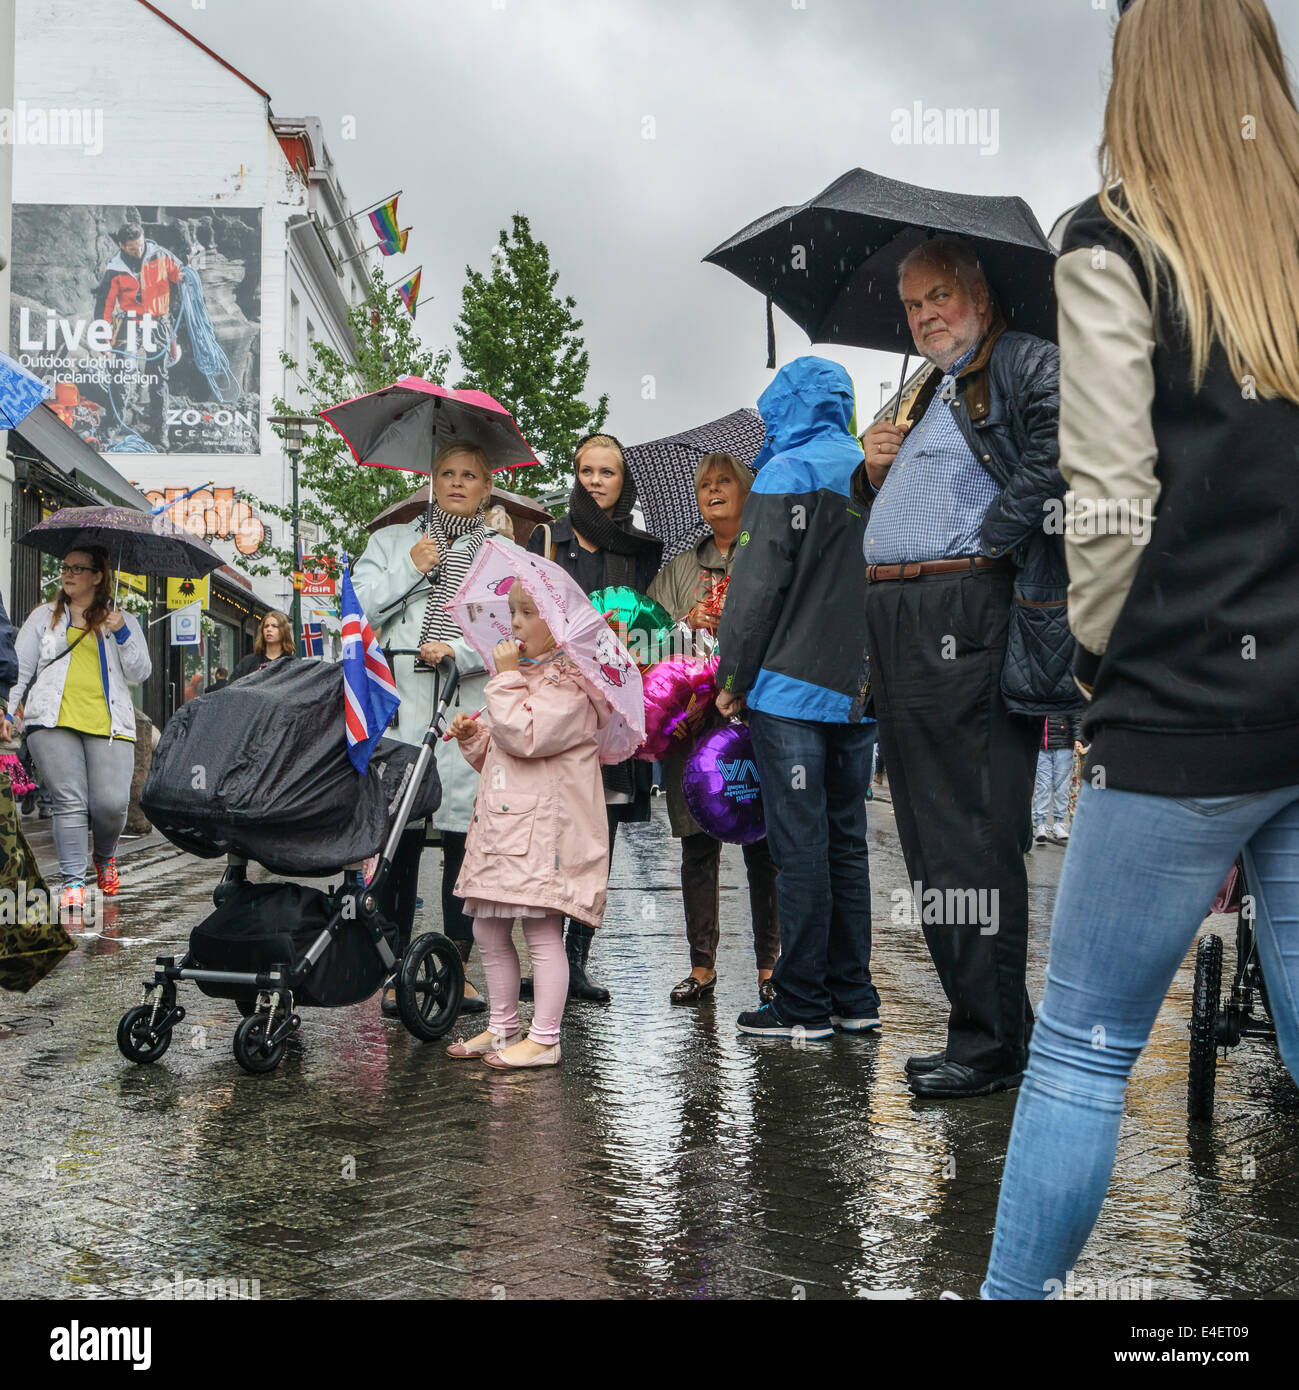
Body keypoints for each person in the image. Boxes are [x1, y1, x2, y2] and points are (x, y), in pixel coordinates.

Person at [984, 0, 1299, 1298]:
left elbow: (1105, 499)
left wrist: (1104, 664)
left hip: (1180, 707)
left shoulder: (1111, 242)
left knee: (1079, 1048)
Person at [860, 234, 1078, 1099]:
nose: (923, 316)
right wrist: (870, 473)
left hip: (966, 613)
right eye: (912, 305)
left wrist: (988, 544)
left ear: (980, 294)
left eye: (938, 296)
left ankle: (988, 1047)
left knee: (972, 835)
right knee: (926, 837)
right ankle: (984, 1030)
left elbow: (1064, 447)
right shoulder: (933, 386)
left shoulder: (1021, 359)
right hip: (906, 617)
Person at [714, 357, 878, 1041]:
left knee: (799, 847)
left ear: (784, 407)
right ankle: (853, 996)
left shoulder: (784, 473)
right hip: (857, 693)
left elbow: (754, 590)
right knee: (846, 843)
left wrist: (732, 676)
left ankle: (800, 1004)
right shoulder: (870, 471)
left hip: (787, 689)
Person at [352, 441, 503, 1017]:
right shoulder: (392, 541)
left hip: (465, 713)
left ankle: (455, 971)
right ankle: (394, 968)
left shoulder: (500, 553)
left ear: (487, 487)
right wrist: (412, 566)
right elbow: (357, 610)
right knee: (398, 841)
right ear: (431, 480)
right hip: (400, 711)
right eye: (447, 473)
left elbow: (511, 633)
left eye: (471, 474)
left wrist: (460, 652)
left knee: (465, 844)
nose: (458, 482)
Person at [443, 582, 609, 1069]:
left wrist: (505, 678)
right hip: (504, 830)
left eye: (527, 613)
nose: (514, 623)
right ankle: (502, 1025)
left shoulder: (572, 685)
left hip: (543, 837)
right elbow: (501, 752)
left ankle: (545, 1037)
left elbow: (525, 735)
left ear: (556, 625)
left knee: (540, 930)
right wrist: (474, 737)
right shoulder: (527, 675)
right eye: (512, 612)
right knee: (489, 930)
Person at [526, 433, 662, 1001]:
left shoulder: (642, 551)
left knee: (597, 840)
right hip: (558, 706)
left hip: (611, 718)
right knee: (551, 834)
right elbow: (525, 613)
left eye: (608, 472)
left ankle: (576, 959)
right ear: (575, 473)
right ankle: (545, 957)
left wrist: (640, 642)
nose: (596, 481)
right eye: (586, 471)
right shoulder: (547, 539)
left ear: (622, 480)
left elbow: (659, 630)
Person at [647, 452, 780, 1005]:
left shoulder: (768, 554)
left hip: (755, 716)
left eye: (726, 481)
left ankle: (770, 969)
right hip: (694, 724)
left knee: (762, 846)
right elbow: (641, 642)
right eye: (706, 484)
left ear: (748, 491)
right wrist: (683, 625)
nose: (714, 490)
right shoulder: (679, 569)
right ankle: (702, 966)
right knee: (698, 848)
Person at [7, 547, 152, 911]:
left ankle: (104, 856)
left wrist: (121, 633)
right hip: (51, 720)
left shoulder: (123, 620)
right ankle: (73, 882)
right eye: (64, 567)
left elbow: (140, 672)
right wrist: (7, 713)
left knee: (110, 805)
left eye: (77, 568)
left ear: (98, 576)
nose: (67, 574)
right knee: (69, 802)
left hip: (110, 723)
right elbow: (19, 670)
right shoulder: (44, 617)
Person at [92, 222, 183, 450]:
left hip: (159, 320)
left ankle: (160, 432)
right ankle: (112, 426)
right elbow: (104, 305)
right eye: (132, 248)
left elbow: (178, 273)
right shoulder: (115, 268)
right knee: (121, 372)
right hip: (130, 320)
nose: (138, 251)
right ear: (122, 245)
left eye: (140, 245)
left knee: (158, 377)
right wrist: (103, 340)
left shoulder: (161, 254)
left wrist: (183, 276)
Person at [1033, 715, 1081, 846]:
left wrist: (1078, 738)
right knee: (1043, 786)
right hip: (1042, 746)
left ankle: (1059, 823)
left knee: (1062, 787)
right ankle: (1040, 824)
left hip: (1064, 746)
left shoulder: (1067, 695)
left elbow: (1075, 716)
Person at [229, 612, 295, 682]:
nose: (269, 629)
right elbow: (232, 687)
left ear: (283, 631)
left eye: (274, 626)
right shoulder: (248, 662)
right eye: (266, 626)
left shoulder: (291, 664)